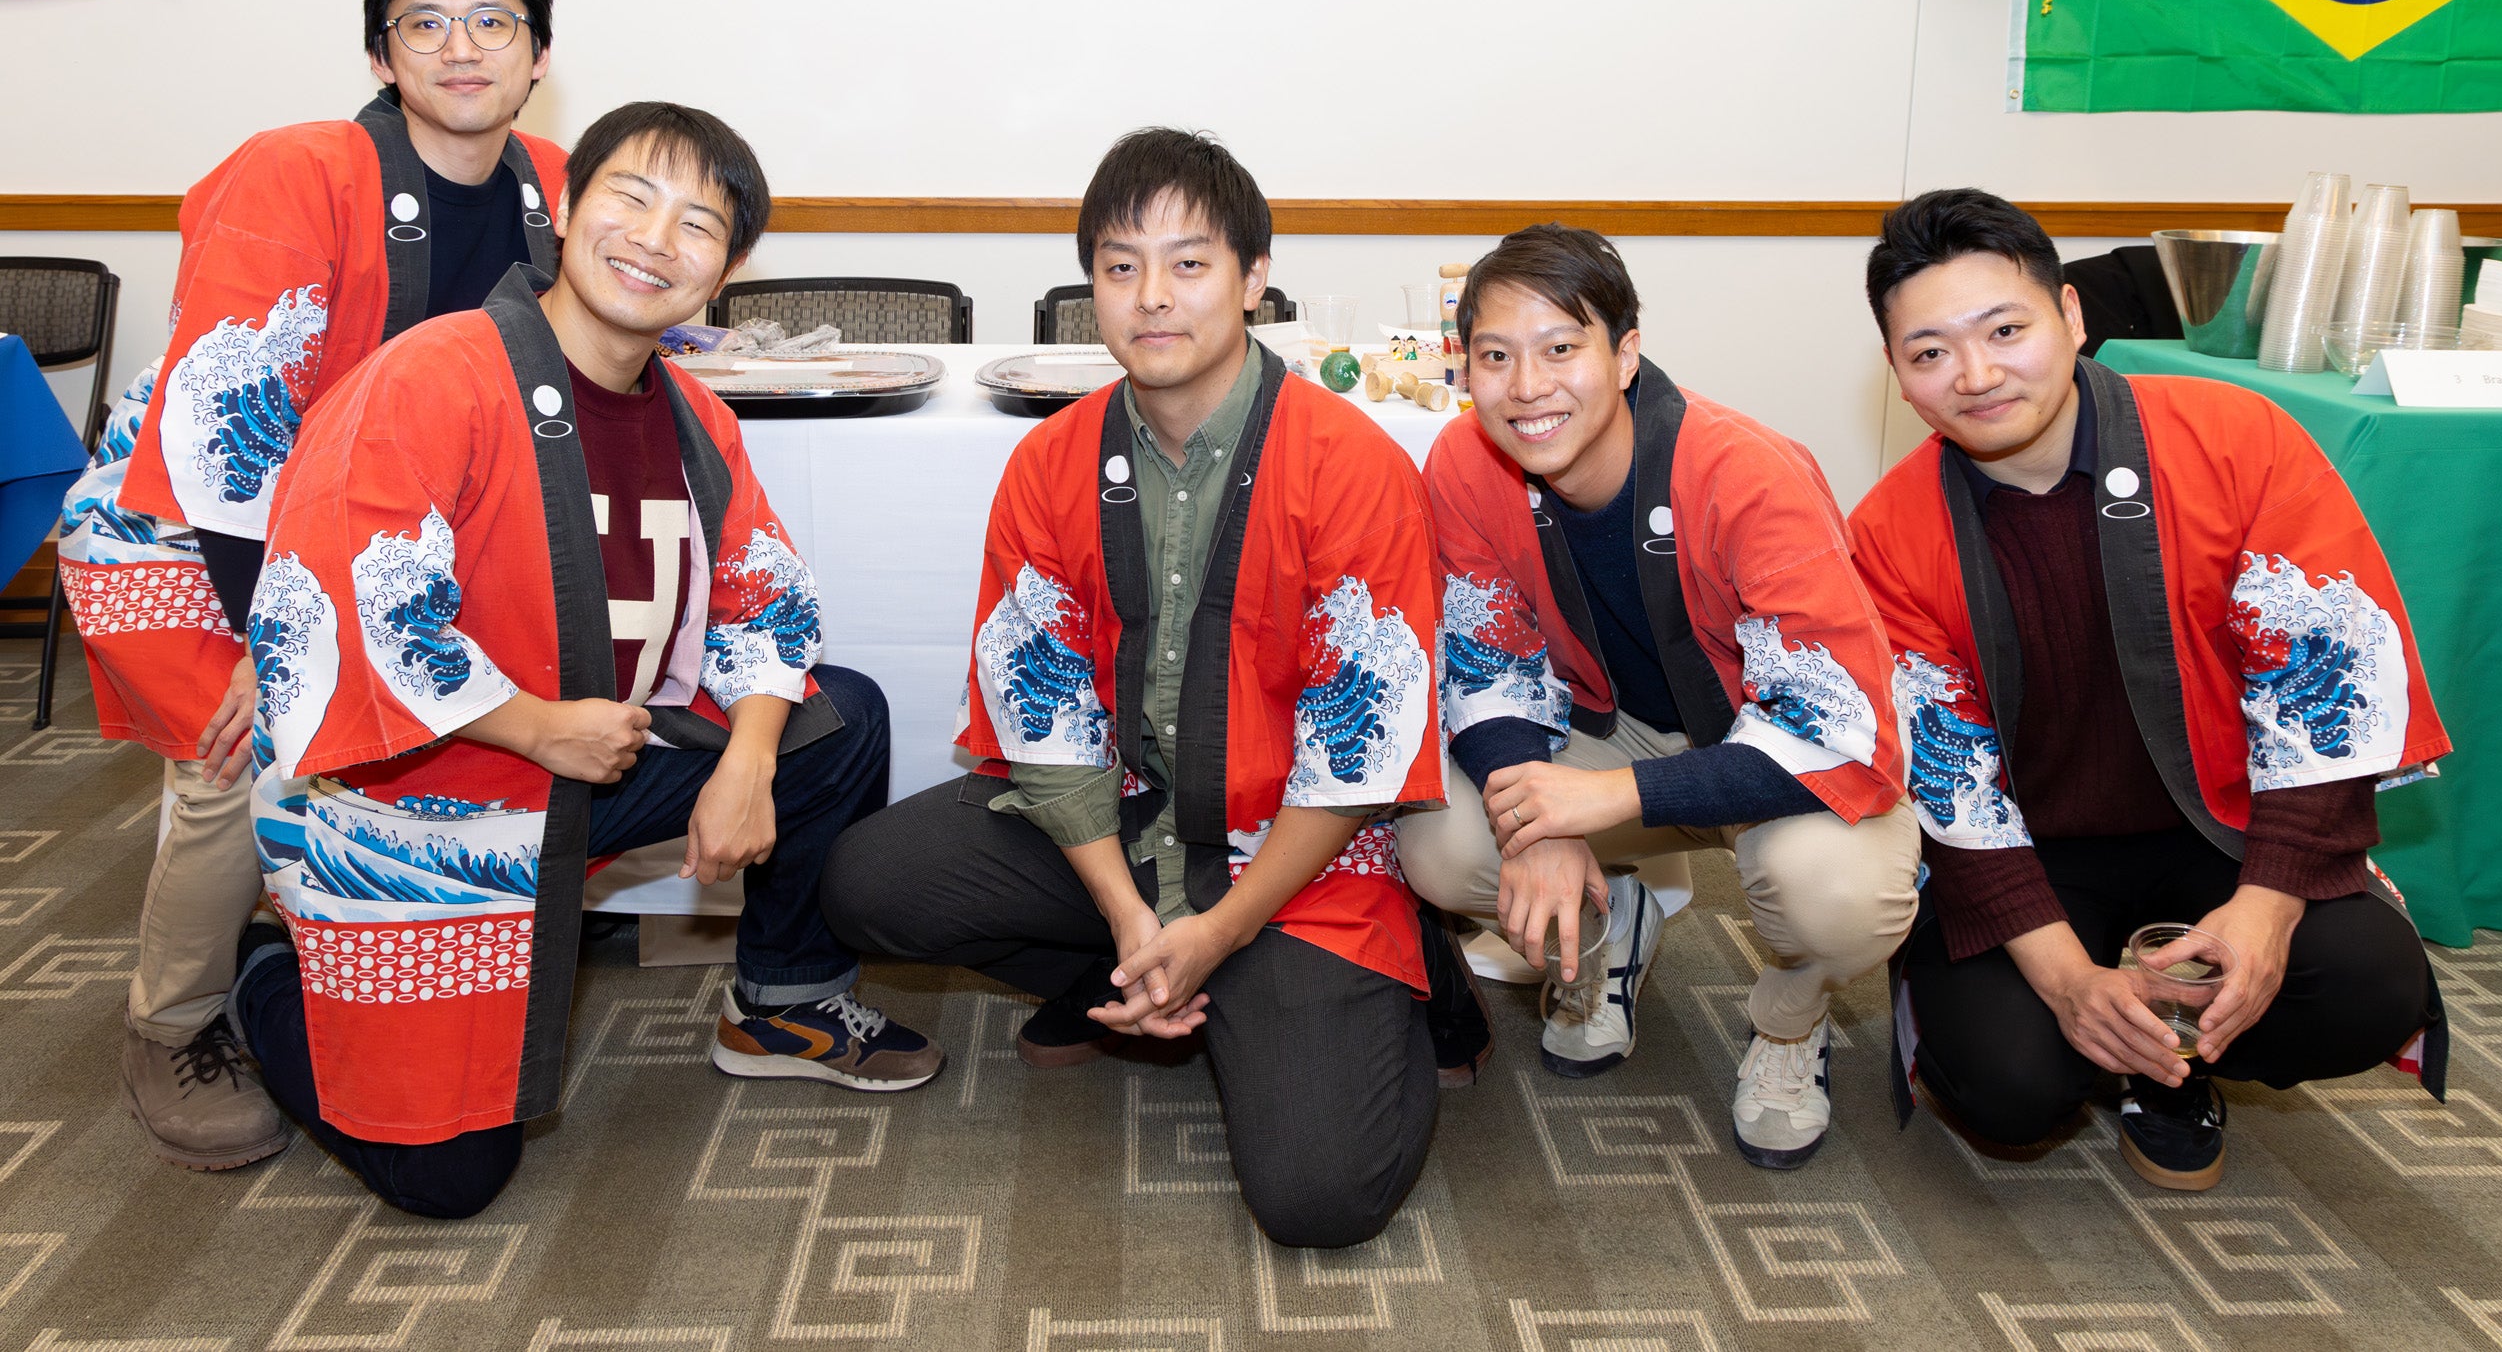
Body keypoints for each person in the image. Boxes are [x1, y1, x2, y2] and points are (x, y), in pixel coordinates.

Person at [230, 101, 938, 1219]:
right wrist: (530, 722)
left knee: (833, 717)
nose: (658, 238)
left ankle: (783, 1001)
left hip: (594, 756)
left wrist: (749, 760)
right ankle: (273, 971)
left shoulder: (697, 413)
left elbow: (768, 604)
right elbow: (352, 607)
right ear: (563, 209)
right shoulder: (433, 374)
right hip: (421, 793)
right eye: (631, 196)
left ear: (726, 272)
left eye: (699, 224)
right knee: (450, 1177)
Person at [822, 128, 1478, 1248]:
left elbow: (1358, 749)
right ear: (1092, 289)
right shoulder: (1052, 458)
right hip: (1133, 817)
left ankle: (1412, 987)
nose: (1152, 297)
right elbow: (1041, 708)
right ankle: (1125, 970)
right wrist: (1133, 916)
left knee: (1320, 1195)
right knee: (870, 879)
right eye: (1120, 267)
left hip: (1298, 847)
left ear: (1253, 279)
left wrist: (1217, 928)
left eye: (1189, 262)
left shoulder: (1347, 463)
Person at [55, 0, 573, 1171]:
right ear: (380, 51)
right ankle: (169, 1021)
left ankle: (333, 924)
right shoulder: (298, 171)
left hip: (374, 524)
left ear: (538, 50)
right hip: (183, 524)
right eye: (426, 22)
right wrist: (267, 641)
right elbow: (221, 427)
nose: (463, 47)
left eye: (493, 20)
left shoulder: (551, 182)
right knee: (240, 756)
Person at [1849, 189, 2451, 1192]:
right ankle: (2109, 1035)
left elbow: (2324, 685)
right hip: (2034, 861)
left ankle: (2171, 1066)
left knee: (2369, 982)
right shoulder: (1888, 531)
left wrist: (2264, 909)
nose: (1977, 373)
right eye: (1929, 352)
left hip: (2215, 829)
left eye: (2005, 329)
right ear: (1898, 375)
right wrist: (2068, 982)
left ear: (2073, 317)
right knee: (2004, 1080)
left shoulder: (2235, 438)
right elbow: (1949, 778)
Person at [1396, 223, 1916, 1169]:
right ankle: (1612, 924)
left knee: (1838, 900)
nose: (1527, 386)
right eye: (1495, 356)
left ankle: (1789, 1025)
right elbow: (1484, 665)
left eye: (1561, 349)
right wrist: (1539, 817)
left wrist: (1597, 804)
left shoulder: (1745, 471)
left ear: (1625, 353)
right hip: (1610, 734)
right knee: (1439, 843)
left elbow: (1832, 723)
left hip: (1770, 748)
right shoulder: (1465, 465)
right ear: (1462, 365)